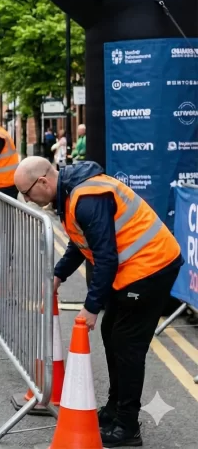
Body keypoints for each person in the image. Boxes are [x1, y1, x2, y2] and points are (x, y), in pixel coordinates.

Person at [15, 157, 182, 447]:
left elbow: (105, 257)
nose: (27, 199)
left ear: (43, 182)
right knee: (111, 334)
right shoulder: (70, 193)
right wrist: (58, 275)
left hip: (151, 267)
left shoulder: (86, 197)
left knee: (127, 344)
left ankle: (127, 425)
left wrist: (91, 307)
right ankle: (114, 409)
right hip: (131, 271)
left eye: (27, 193)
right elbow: (81, 243)